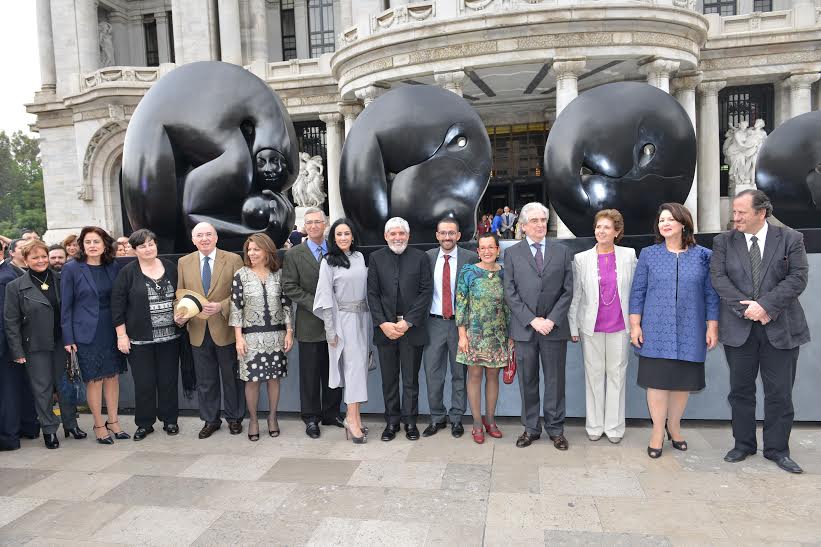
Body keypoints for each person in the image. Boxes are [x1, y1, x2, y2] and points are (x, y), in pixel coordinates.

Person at [710, 189, 810, 474]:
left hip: (781, 328)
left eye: (742, 212)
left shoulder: (791, 239)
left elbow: (798, 278)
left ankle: (777, 450)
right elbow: (719, 278)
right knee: (740, 391)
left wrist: (765, 306)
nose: (735, 217)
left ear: (762, 212)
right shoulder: (724, 242)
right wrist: (747, 309)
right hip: (739, 329)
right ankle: (743, 444)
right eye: (734, 212)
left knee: (779, 392)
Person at [629, 203, 719, 459]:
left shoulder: (704, 255)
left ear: (683, 224)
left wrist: (712, 325)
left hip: (692, 328)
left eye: (670, 219)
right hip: (656, 330)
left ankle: (674, 427)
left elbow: (711, 294)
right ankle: (657, 431)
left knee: (682, 383)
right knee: (656, 382)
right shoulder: (649, 254)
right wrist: (635, 325)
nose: (664, 224)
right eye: (661, 220)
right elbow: (638, 291)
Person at [503, 202, 573, 450]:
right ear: (523, 226)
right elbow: (510, 292)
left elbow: (568, 291)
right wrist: (532, 320)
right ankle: (531, 428)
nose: (540, 224)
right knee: (527, 381)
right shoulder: (511, 254)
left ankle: (556, 429)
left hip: (554, 329)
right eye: (534, 221)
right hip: (525, 329)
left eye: (543, 220)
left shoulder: (562, 251)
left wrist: (551, 320)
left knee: (555, 382)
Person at [4, 240, 85, 449]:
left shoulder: (60, 278)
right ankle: (49, 430)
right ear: (25, 259)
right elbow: (10, 321)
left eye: (43, 256)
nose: (40, 261)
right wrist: (17, 350)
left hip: (62, 342)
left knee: (66, 384)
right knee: (43, 390)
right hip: (35, 345)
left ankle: (71, 424)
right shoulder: (15, 286)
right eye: (35, 257)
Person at [567, 209, 637, 443]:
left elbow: (636, 293)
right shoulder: (582, 258)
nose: (601, 231)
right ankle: (594, 426)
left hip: (620, 325)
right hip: (591, 326)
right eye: (598, 227)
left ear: (617, 231)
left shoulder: (628, 255)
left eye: (607, 227)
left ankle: (615, 428)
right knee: (594, 377)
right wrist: (573, 326)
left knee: (617, 376)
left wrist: (637, 323)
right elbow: (576, 294)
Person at [176, 222, 246, 439]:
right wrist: (178, 316)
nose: (204, 238)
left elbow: (240, 293)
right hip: (197, 329)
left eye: (208, 234)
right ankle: (210, 420)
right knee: (205, 380)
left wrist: (222, 306)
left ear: (216, 237)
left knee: (231, 377)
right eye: (199, 235)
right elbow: (181, 293)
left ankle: (235, 418)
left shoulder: (233, 259)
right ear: (193, 239)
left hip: (226, 328)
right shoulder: (183, 262)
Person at [112, 229, 181, 440]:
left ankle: (170, 420)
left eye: (151, 244)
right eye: (142, 246)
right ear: (134, 250)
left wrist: (183, 315)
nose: (148, 248)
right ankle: (144, 423)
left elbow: (181, 296)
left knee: (168, 380)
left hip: (170, 337)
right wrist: (121, 335)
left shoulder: (170, 267)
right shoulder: (127, 272)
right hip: (140, 339)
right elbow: (117, 306)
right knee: (144, 383)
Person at [61, 226, 128, 444]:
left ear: (105, 244)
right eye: (87, 242)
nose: (92, 246)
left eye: (96, 241)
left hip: (112, 329)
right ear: (81, 245)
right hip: (86, 333)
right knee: (95, 379)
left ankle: (114, 421)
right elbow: (66, 307)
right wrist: (68, 338)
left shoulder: (113, 266)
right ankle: (99, 424)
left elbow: (120, 299)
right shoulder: (71, 269)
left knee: (113, 376)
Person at [367, 217, 433, 442]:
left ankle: (410, 422)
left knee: (410, 380)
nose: (397, 238)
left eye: (401, 233)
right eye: (393, 234)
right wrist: (383, 323)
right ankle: (392, 422)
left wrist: (408, 322)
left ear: (408, 235)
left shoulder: (420, 258)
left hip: (411, 329)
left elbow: (426, 292)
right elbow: (372, 294)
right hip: (385, 329)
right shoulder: (375, 258)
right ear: (386, 236)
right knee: (389, 379)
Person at [282, 207, 343, 439]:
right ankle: (311, 417)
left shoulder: (337, 250)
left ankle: (332, 413)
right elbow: (289, 286)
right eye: (310, 223)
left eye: (318, 221)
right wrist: (317, 304)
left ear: (326, 223)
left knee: (333, 370)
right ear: (305, 226)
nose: (314, 226)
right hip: (310, 322)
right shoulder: (294, 254)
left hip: (336, 323)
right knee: (309, 374)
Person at [312, 219, 372, 444]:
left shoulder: (359, 258)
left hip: (362, 318)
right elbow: (325, 297)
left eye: (347, 233)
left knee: (360, 369)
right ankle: (352, 419)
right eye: (339, 234)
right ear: (333, 238)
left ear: (353, 236)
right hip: (342, 321)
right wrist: (330, 330)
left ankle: (352, 416)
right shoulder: (328, 262)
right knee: (353, 370)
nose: (344, 238)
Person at [230, 233, 293, 441]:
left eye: (256, 249)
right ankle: (254, 419)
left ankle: (272, 418)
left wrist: (289, 332)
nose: (251, 253)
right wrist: (238, 338)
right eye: (249, 249)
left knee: (274, 379)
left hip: (276, 335)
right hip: (250, 337)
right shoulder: (241, 275)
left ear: (267, 250)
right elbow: (236, 308)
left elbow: (286, 305)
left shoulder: (279, 274)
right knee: (252, 381)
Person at [421, 217, 478, 438]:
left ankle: (456, 418)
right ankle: (437, 417)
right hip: (433, 323)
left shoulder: (470, 259)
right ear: (437, 235)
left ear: (458, 235)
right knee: (433, 373)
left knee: (458, 373)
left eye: (451, 233)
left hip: (460, 325)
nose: (447, 237)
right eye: (443, 233)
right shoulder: (427, 258)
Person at [456, 233, 511, 444]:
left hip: (498, 335)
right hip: (473, 334)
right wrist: (462, 335)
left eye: (491, 247)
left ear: (498, 250)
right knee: (475, 376)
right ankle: (477, 423)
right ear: (478, 251)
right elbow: (461, 304)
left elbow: (509, 306)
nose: (487, 251)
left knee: (493, 377)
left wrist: (510, 336)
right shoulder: (468, 272)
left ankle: (490, 420)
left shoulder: (505, 274)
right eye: (482, 248)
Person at [0, 241, 45, 451]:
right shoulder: (8, 273)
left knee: (8, 391)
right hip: (13, 343)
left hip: (7, 344)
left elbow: (6, 319)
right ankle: (28, 427)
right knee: (19, 388)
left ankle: (8, 437)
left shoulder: (4, 278)